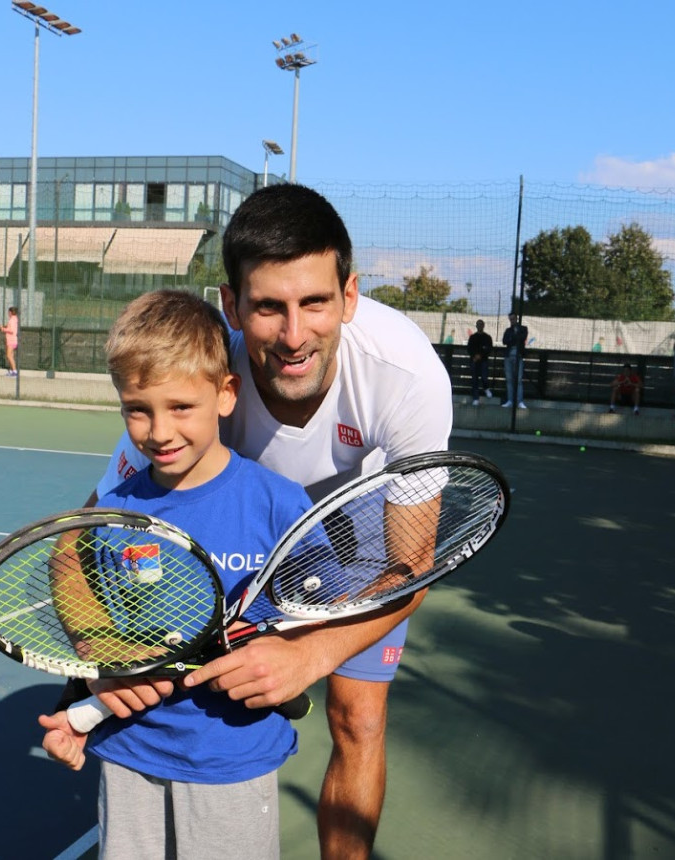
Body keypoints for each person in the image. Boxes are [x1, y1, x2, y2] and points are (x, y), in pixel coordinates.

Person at [42, 183, 453, 859]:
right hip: (250, 520)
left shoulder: (408, 378)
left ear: (349, 296)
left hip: (361, 528)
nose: (294, 336)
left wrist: (309, 653)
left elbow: (412, 563)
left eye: (314, 302)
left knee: (358, 716)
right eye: (268, 307)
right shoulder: (193, 378)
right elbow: (75, 544)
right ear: (232, 306)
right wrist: (99, 658)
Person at [42, 290, 315, 857]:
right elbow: (72, 571)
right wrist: (86, 688)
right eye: (137, 409)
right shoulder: (116, 507)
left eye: (181, 407)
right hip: (129, 753)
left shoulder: (278, 504)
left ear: (226, 394)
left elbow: (322, 609)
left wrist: (292, 654)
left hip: (233, 759)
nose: (160, 431)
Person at [501, 311, 528, 409]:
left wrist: (513, 337)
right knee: (509, 379)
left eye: (513, 319)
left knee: (519, 380)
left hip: (518, 356)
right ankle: (510, 400)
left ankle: (520, 401)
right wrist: (514, 337)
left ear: (516, 318)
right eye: (510, 319)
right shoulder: (508, 330)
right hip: (508, 356)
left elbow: (522, 338)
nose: (512, 321)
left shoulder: (523, 329)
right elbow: (504, 341)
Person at [467, 319, 493, 405]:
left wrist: (480, 356)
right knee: (474, 379)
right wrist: (474, 356)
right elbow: (469, 349)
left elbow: (489, 349)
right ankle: (476, 398)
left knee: (484, 377)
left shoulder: (487, 337)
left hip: (484, 361)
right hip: (474, 361)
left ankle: (486, 388)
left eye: (481, 325)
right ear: (476, 326)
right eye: (478, 325)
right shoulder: (472, 337)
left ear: (483, 326)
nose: (479, 326)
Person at [0, 306, 19, 376]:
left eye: (8, 312)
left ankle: (14, 371)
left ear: (10, 312)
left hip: (11, 340)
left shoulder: (12, 320)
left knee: (8, 356)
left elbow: (12, 330)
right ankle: (12, 370)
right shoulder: (14, 319)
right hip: (12, 340)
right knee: (11, 356)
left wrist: (3, 329)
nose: (8, 313)